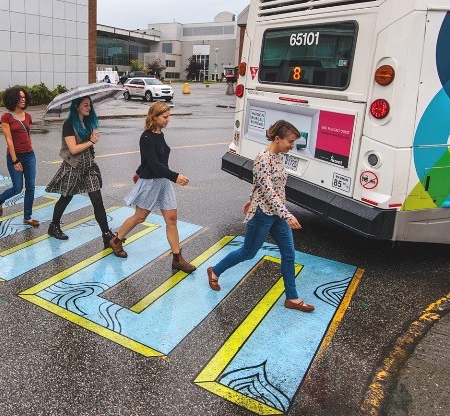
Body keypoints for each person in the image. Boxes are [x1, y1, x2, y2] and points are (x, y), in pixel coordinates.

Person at [206, 120, 314, 312]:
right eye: (290, 141)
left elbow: (266, 186)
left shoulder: (279, 156)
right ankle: (215, 271)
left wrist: (252, 199)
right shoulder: (263, 158)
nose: (292, 146)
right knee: (248, 253)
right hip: (263, 214)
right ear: (277, 139)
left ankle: (292, 298)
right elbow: (268, 190)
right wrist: (287, 214)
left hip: (276, 214)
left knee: (289, 254)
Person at [106, 102, 195, 273]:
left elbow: (150, 160)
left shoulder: (160, 134)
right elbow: (153, 163)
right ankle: (116, 240)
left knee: (171, 219)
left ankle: (177, 258)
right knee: (140, 217)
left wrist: (139, 171)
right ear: (154, 117)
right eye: (165, 117)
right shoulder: (146, 137)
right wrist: (175, 177)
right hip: (152, 182)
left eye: (168, 117)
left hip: (163, 182)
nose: (168, 120)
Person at [45, 96, 115, 246]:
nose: (89, 108)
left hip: (89, 168)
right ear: (77, 106)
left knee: (98, 201)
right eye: (85, 105)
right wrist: (91, 141)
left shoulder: (87, 124)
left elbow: (88, 147)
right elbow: (73, 149)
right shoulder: (69, 124)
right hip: (73, 168)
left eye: (90, 105)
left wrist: (91, 140)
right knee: (66, 197)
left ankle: (106, 234)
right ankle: (54, 226)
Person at [0, 86, 38, 227]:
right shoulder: (6, 118)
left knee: (30, 187)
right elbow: (9, 140)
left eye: (24, 96)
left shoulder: (28, 117)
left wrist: (29, 148)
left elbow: (28, 136)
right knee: (18, 188)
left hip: (29, 155)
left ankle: (27, 217)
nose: (23, 99)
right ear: (13, 99)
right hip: (15, 157)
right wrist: (15, 160)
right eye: (20, 97)